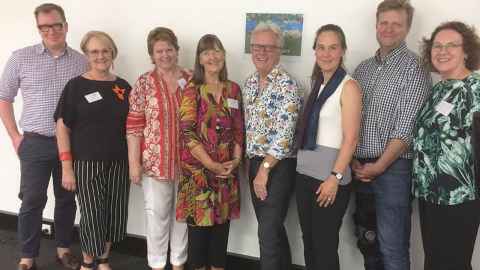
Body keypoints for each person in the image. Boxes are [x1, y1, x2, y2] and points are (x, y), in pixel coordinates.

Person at [0, 3, 87, 270]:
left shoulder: (82, 62)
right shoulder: (20, 57)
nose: (51, 31)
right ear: (39, 29)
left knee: (66, 199)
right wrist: (15, 136)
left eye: (56, 25)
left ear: (66, 26)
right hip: (34, 142)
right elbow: (4, 98)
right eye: (44, 26)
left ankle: (63, 251)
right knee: (32, 200)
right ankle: (27, 256)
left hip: (70, 145)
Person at [351, 1, 432, 270]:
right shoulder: (362, 69)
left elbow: (407, 127)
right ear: (376, 25)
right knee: (367, 241)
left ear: (407, 28)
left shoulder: (415, 67)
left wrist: (380, 166)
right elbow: (350, 121)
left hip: (394, 169)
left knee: (392, 246)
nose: (388, 29)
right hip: (360, 167)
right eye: (384, 22)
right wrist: (353, 160)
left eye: (396, 23)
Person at [55, 31, 131, 270]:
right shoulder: (75, 86)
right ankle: (88, 263)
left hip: (119, 162)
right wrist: (67, 167)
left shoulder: (123, 87)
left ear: (113, 53)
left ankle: (104, 260)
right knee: (92, 215)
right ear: (87, 55)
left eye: (105, 50)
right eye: (94, 51)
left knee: (114, 213)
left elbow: (135, 126)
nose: (101, 56)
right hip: (87, 163)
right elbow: (62, 127)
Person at [412, 21, 480, 270]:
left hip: (460, 196)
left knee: (453, 263)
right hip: (430, 193)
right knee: (435, 261)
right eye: (437, 46)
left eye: (451, 45)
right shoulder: (439, 88)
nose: (443, 51)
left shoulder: (476, 88)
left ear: (466, 51)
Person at [296, 24, 362, 270]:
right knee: (310, 242)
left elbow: (351, 138)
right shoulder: (317, 85)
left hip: (329, 179)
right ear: (315, 51)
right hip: (304, 175)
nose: (326, 53)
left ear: (342, 50)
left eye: (333, 47)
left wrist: (335, 177)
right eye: (321, 47)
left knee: (324, 246)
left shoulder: (349, 86)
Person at [176, 34, 244, 270]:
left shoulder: (233, 89)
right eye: (206, 53)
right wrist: (211, 164)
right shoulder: (192, 90)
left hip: (226, 173)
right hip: (198, 175)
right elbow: (188, 133)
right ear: (200, 60)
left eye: (216, 51)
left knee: (220, 234)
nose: (212, 56)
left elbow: (238, 130)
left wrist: (235, 162)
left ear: (223, 55)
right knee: (199, 239)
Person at [126, 27, 189, 270]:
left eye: (169, 49)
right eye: (159, 51)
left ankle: (178, 262)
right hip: (154, 163)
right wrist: (134, 162)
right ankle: (157, 263)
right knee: (157, 215)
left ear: (177, 50)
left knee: (182, 215)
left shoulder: (191, 79)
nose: (165, 55)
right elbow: (134, 126)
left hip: (187, 163)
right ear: (152, 55)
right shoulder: (144, 83)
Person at [243, 22, 301, 270]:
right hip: (255, 164)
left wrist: (264, 171)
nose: (261, 52)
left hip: (277, 167)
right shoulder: (250, 83)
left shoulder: (287, 85)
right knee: (273, 230)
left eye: (268, 47)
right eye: (257, 46)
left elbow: (285, 136)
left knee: (266, 234)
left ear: (279, 51)